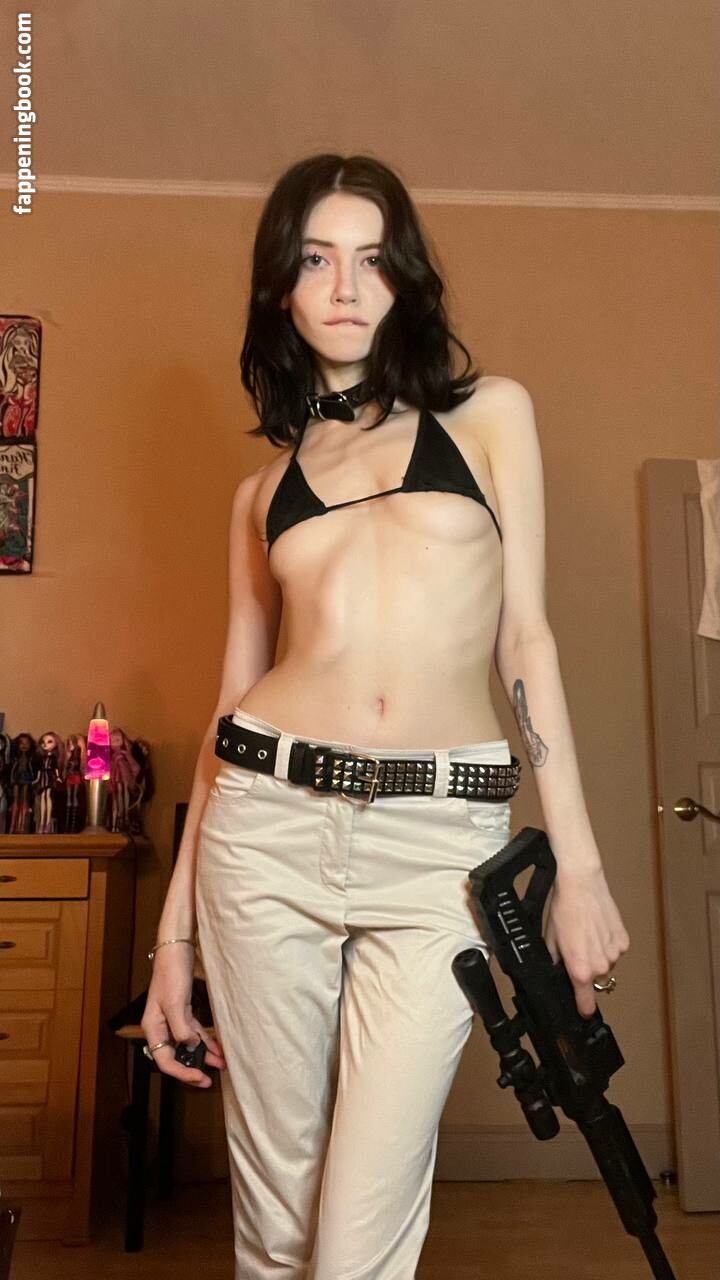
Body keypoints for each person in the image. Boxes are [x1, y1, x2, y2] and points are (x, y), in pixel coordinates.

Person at [141, 153, 630, 1279]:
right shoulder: (261, 495)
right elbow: (226, 714)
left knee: (360, 1236)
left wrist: (581, 867)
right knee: (276, 1223)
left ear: (405, 280)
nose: (346, 286)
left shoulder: (489, 415)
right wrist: (175, 941)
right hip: (263, 829)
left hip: (437, 847)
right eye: (317, 260)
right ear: (281, 288)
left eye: (372, 260)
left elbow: (527, 639)